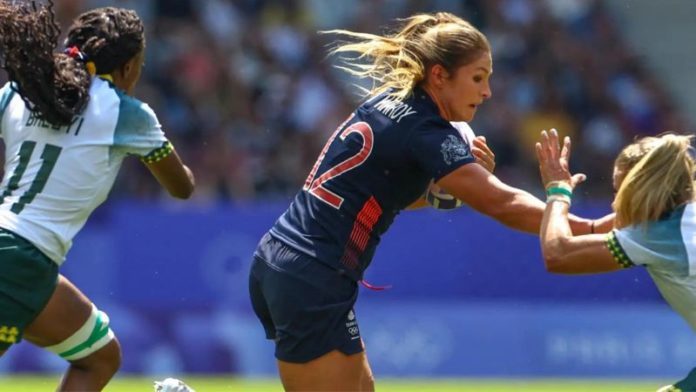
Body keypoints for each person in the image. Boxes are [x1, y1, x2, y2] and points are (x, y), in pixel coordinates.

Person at [248, 12, 595, 391]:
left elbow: (386, 194)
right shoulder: (427, 132)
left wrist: (447, 188)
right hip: (313, 276)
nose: (487, 92)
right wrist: (590, 226)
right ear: (439, 75)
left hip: (287, 260)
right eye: (478, 78)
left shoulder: (387, 103)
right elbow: (503, 203)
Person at [0, 2, 195, 391]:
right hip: (22, 261)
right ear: (127, 68)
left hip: (21, 255)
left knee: (100, 356)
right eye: (139, 64)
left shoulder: (19, 91)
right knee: (97, 361)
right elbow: (181, 188)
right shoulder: (127, 113)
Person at [535, 130, 695, 392]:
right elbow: (596, 229)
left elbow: (558, 254)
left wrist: (558, 192)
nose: (614, 202)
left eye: (620, 189)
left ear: (642, 188)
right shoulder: (680, 216)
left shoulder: (656, 235)